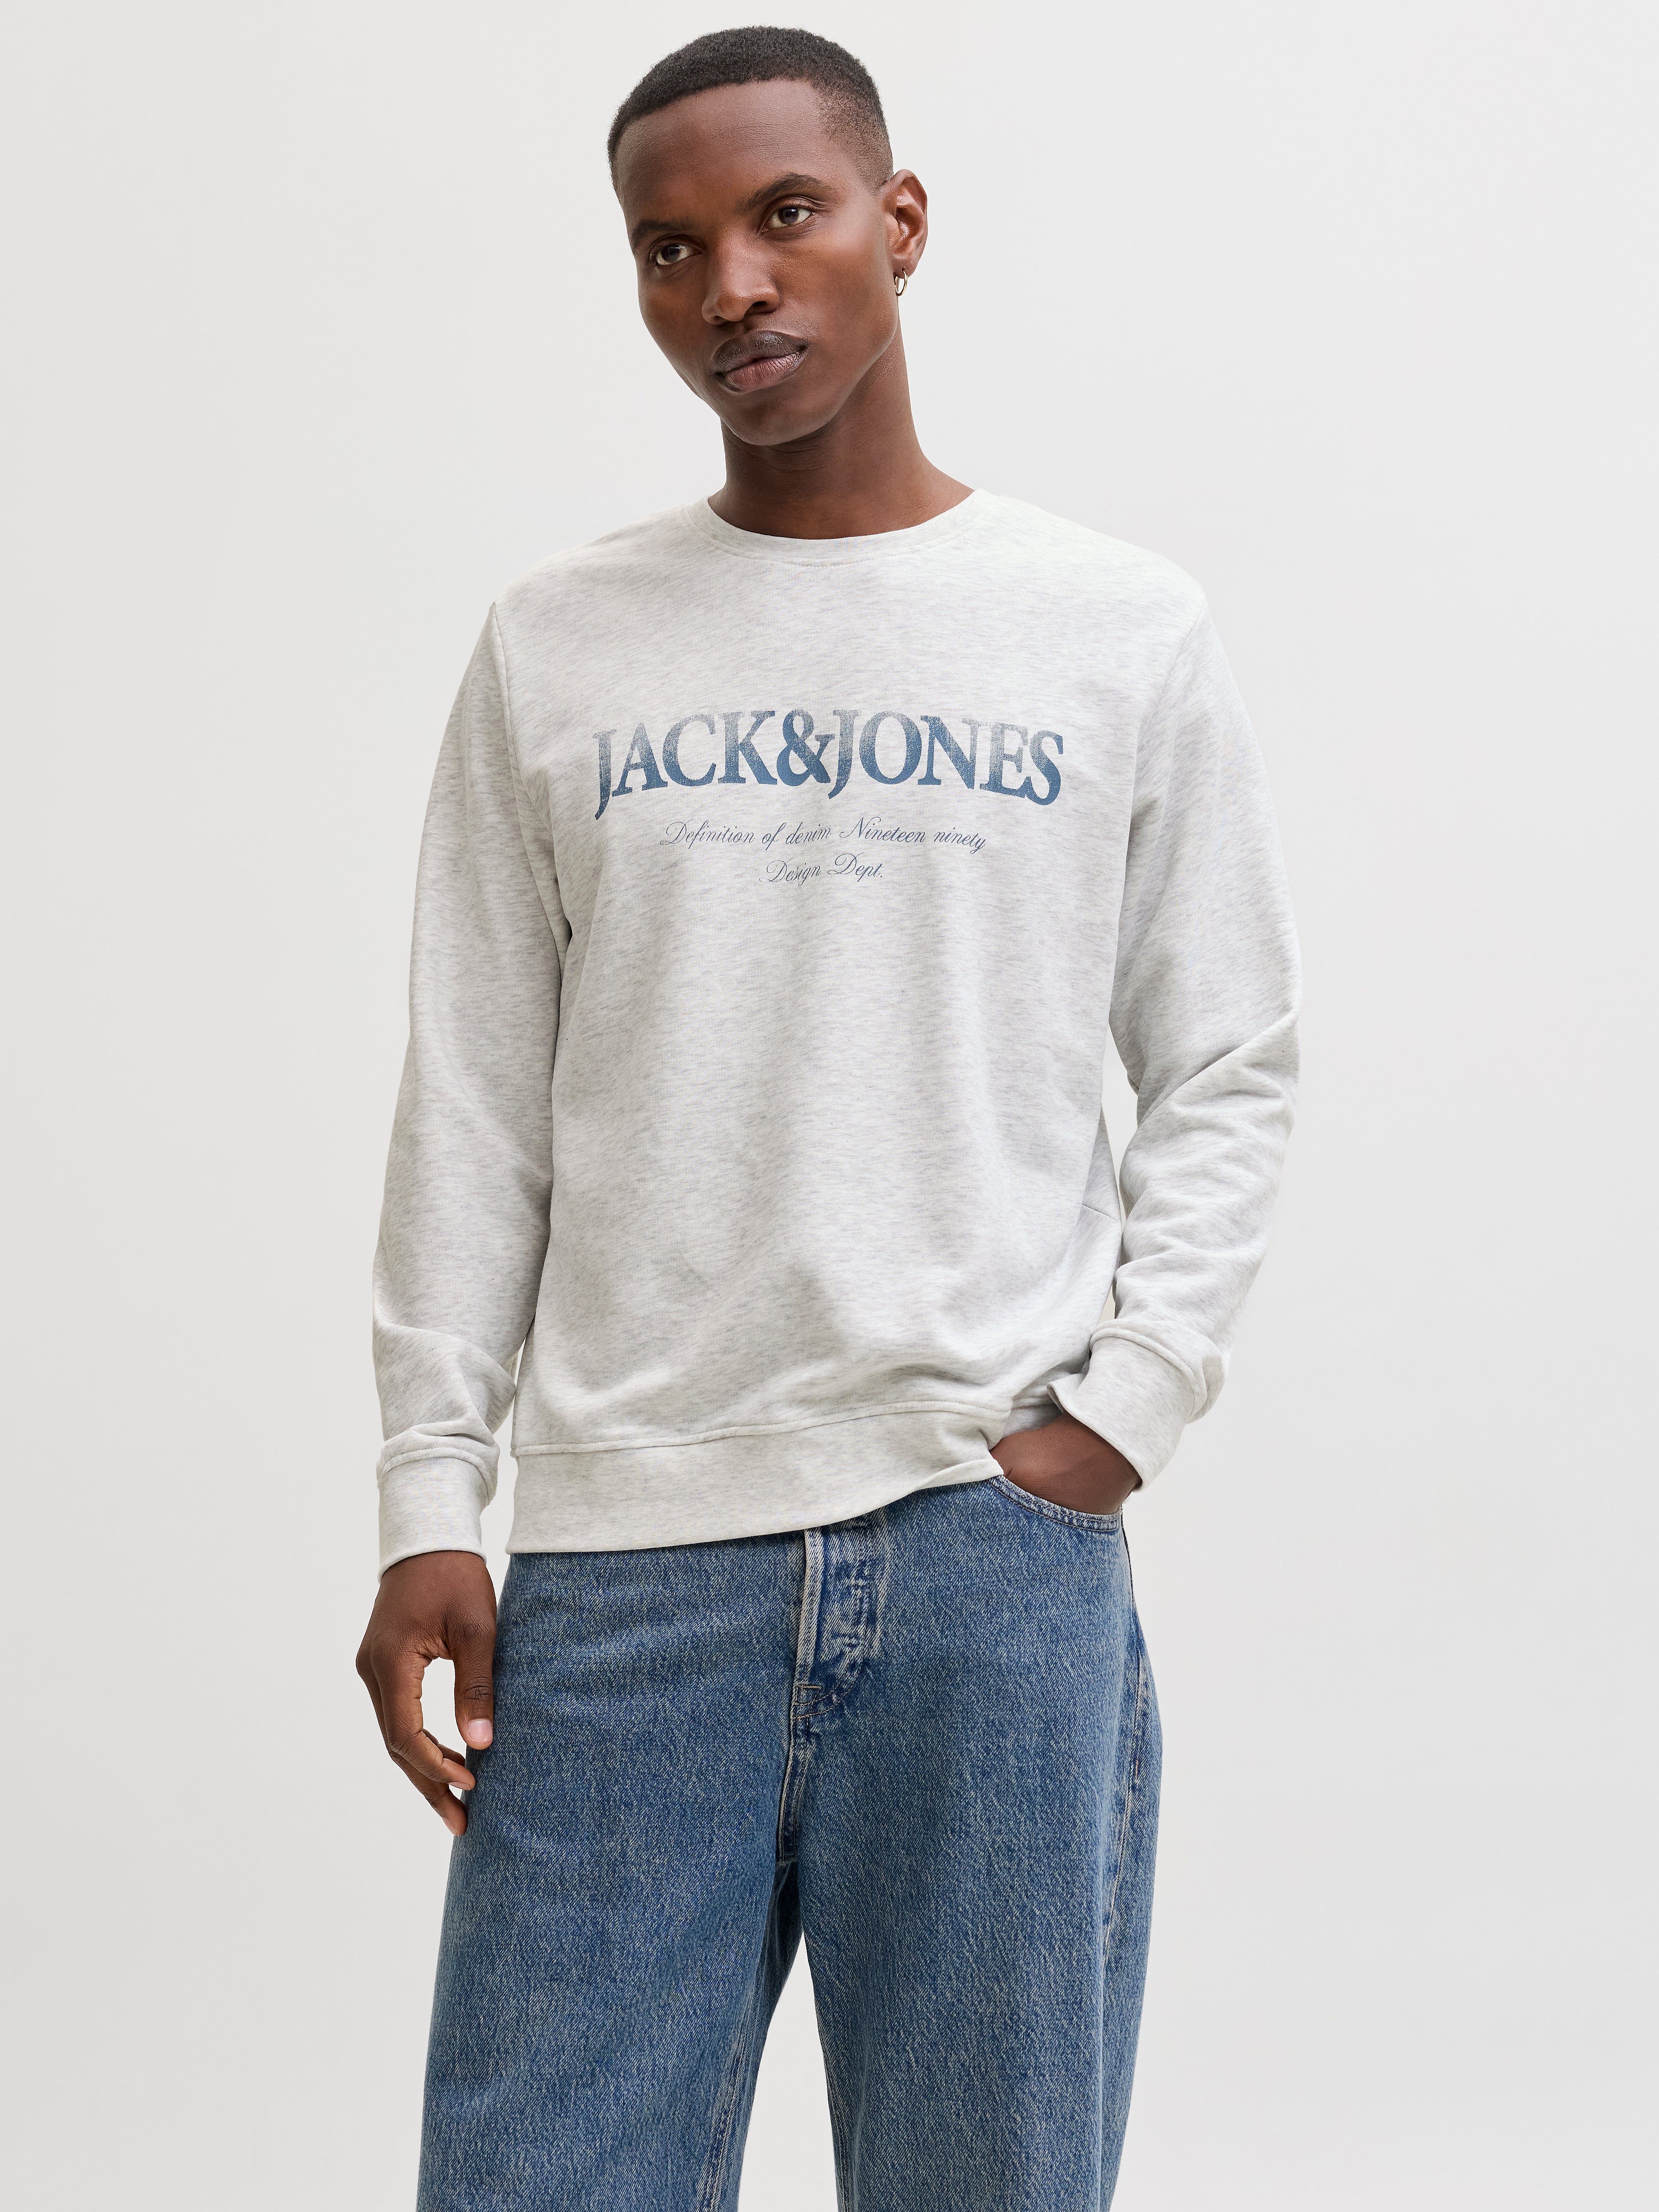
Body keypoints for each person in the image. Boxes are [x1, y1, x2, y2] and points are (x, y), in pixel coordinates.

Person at [355, 26, 1299, 2210]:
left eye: (785, 216)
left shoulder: (1113, 629)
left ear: (902, 220)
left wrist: (1126, 1412)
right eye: (668, 247)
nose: (734, 287)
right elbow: (475, 1099)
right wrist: (427, 1494)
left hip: (988, 1563)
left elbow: (1229, 1057)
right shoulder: (558, 645)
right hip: (623, 1572)